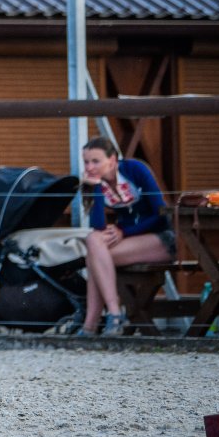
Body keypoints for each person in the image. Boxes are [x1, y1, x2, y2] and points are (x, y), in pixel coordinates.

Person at [77, 136, 173, 336]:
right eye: (86, 162)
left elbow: (160, 214)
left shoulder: (135, 170)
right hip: (131, 242)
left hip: (161, 237)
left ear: (112, 160)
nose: (90, 167)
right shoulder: (96, 183)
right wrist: (94, 187)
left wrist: (124, 232)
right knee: (94, 241)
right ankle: (109, 317)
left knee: (94, 256)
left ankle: (96, 323)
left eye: (96, 161)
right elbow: (98, 226)